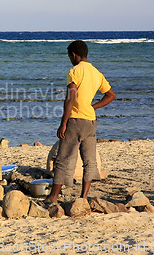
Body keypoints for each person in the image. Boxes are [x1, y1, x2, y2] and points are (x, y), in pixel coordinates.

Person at [44, 40, 116, 204]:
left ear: (74, 55)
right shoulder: (96, 73)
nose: (70, 59)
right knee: (89, 161)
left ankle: (53, 197)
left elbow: (71, 97)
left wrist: (63, 123)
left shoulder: (74, 71)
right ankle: (83, 197)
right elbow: (111, 95)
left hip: (76, 120)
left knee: (63, 158)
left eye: (69, 56)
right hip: (91, 122)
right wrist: (92, 107)